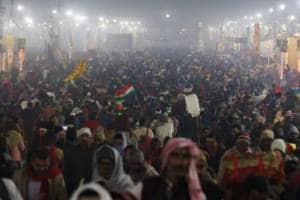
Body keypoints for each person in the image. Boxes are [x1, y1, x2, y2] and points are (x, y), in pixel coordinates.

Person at [132, 137, 206, 200]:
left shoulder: (206, 189)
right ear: (166, 159)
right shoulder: (148, 187)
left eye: (185, 156)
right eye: (175, 155)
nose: (179, 161)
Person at [64, 127, 94, 196]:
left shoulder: (94, 152)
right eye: (82, 136)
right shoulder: (71, 151)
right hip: (73, 185)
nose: (84, 139)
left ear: (90, 138)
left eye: (87, 136)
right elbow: (67, 168)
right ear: (78, 138)